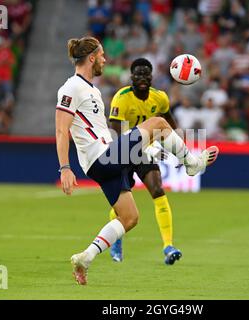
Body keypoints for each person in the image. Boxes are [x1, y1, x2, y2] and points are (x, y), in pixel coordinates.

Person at [55, 36, 219, 285]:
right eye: (101, 56)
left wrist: (143, 148)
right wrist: (65, 167)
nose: (104, 60)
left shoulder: (91, 89)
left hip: (106, 158)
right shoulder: (71, 88)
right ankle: (192, 164)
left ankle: (85, 257)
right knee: (158, 123)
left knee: (129, 217)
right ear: (91, 58)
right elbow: (60, 130)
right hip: (101, 158)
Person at [108, 58, 182, 265]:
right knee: (122, 202)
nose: (142, 78)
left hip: (146, 152)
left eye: (146, 74)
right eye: (138, 74)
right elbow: (114, 130)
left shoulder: (160, 98)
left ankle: (168, 246)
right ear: (131, 77)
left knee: (158, 190)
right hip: (123, 151)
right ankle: (116, 240)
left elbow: (170, 124)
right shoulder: (122, 98)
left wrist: (178, 150)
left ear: (152, 76)